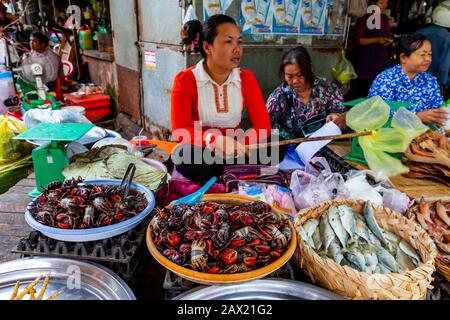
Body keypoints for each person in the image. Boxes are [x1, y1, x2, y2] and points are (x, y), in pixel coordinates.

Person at [170, 14, 275, 182]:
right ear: (207, 47)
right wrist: (214, 140)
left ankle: (228, 172)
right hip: (205, 153)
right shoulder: (185, 80)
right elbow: (179, 130)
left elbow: (263, 125)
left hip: (239, 151)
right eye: (228, 41)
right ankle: (233, 172)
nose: (237, 49)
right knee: (182, 156)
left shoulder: (246, 79)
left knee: (276, 143)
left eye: (239, 42)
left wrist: (241, 145)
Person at [266, 46, 347, 141]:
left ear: (311, 69)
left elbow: (343, 116)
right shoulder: (279, 96)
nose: (295, 81)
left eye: (299, 75)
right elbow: (264, 126)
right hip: (291, 150)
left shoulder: (327, 88)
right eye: (289, 77)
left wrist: (340, 118)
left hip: (327, 146)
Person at [368, 34, 448, 126]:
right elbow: (377, 115)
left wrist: (442, 115)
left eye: (430, 54)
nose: (428, 59)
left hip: (425, 136)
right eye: (422, 54)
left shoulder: (429, 80)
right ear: (403, 58)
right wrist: (416, 117)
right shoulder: (385, 80)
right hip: (392, 137)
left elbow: (439, 110)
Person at [353, 0, 392, 98]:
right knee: (363, 92)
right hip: (366, 62)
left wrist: (387, 41)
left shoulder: (385, 19)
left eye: (386, 3)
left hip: (381, 61)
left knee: (378, 93)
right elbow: (359, 40)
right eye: (381, 3)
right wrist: (377, 40)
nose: (384, 5)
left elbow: (388, 36)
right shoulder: (364, 19)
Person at [415, 1, 450, 94]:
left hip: (412, 77)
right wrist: (441, 85)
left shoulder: (420, 31)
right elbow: (444, 67)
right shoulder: (447, 38)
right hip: (431, 82)